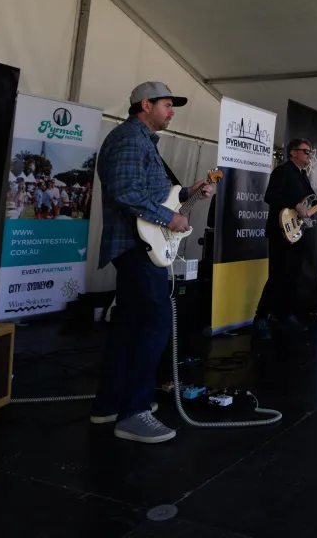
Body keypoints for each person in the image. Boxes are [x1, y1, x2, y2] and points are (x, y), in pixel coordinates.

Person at [91, 82, 214, 444]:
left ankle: (110, 404)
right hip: (135, 246)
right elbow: (126, 192)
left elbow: (151, 193)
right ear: (145, 105)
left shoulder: (142, 141)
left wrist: (188, 193)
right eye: (167, 105)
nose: (172, 112)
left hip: (137, 245)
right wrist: (169, 218)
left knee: (130, 325)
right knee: (154, 322)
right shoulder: (130, 137)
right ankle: (135, 412)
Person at [253, 138, 317, 339]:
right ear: (293, 153)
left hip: (297, 232)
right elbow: (270, 196)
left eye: (310, 152)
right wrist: (295, 204)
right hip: (280, 231)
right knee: (278, 275)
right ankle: (260, 318)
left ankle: (284, 316)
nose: (309, 155)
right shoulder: (282, 171)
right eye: (306, 151)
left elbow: (309, 206)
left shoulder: (303, 176)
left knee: (292, 276)